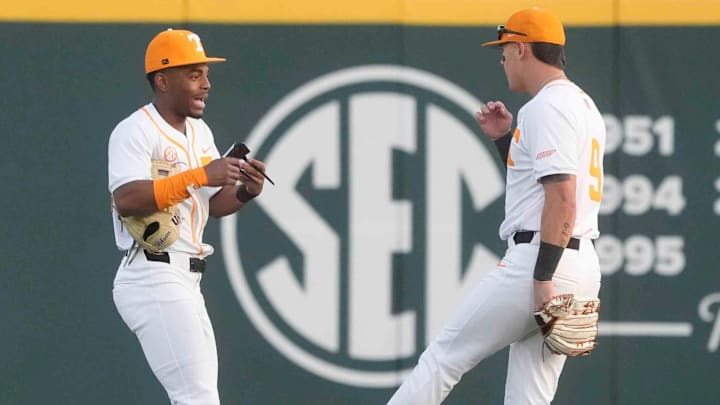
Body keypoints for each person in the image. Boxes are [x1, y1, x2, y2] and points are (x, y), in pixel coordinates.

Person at [388, 7, 605, 404]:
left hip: (541, 260)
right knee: (529, 396)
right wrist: (506, 140)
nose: (502, 59)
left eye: (504, 49)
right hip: (579, 260)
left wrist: (542, 278)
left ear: (522, 49)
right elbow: (538, 184)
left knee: (444, 357)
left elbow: (561, 197)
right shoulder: (581, 103)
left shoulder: (547, 106)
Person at [108, 29, 267, 404]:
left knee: (198, 396)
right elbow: (127, 198)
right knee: (197, 397)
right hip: (151, 274)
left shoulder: (199, 132)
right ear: (163, 80)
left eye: (206, 74)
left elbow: (212, 204)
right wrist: (199, 175)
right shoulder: (135, 130)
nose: (207, 84)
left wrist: (245, 191)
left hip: (186, 278)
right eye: (194, 74)